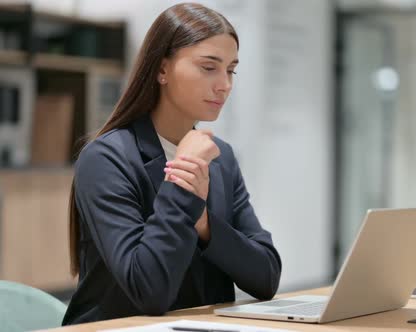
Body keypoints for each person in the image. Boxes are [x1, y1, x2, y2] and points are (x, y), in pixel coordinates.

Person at [62, 3, 281, 325]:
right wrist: (185, 179)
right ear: (162, 69)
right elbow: (149, 290)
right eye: (209, 67)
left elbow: (266, 276)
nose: (225, 84)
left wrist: (205, 224)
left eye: (231, 69)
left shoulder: (220, 156)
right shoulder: (106, 158)